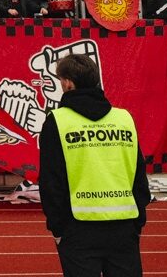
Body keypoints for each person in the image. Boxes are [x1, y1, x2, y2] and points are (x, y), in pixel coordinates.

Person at [39, 53, 149, 277]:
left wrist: (58, 228)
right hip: (124, 226)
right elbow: (139, 175)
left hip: (77, 227)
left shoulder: (57, 121)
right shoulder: (124, 119)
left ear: (68, 83)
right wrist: (138, 223)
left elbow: (51, 181)